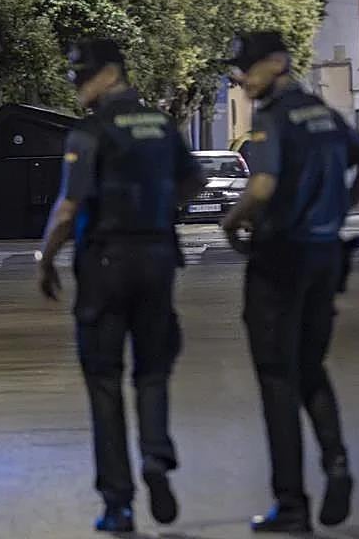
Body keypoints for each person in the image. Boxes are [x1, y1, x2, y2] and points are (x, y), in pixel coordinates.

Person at [35, 39, 207, 534]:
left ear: (110, 74)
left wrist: (46, 260)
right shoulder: (160, 126)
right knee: (152, 372)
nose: (78, 87)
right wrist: (158, 205)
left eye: (82, 76)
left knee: (104, 383)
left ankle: (118, 503)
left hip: (105, 264)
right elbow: (192, 182)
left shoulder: (89, 132)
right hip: (157, 258)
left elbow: (69, 208)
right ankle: (156, 457)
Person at [220, 31, 359, 533]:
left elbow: (264, 184)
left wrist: (231, 222)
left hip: (280, 258)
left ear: (277, 64)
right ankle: (336, 462)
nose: (241, 77)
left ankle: (291, 505)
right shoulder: (323, 113)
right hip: (325, 256)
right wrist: (341, 206)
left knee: (276, 378)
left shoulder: (273, 117)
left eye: (247, 67)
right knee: (310, 366)